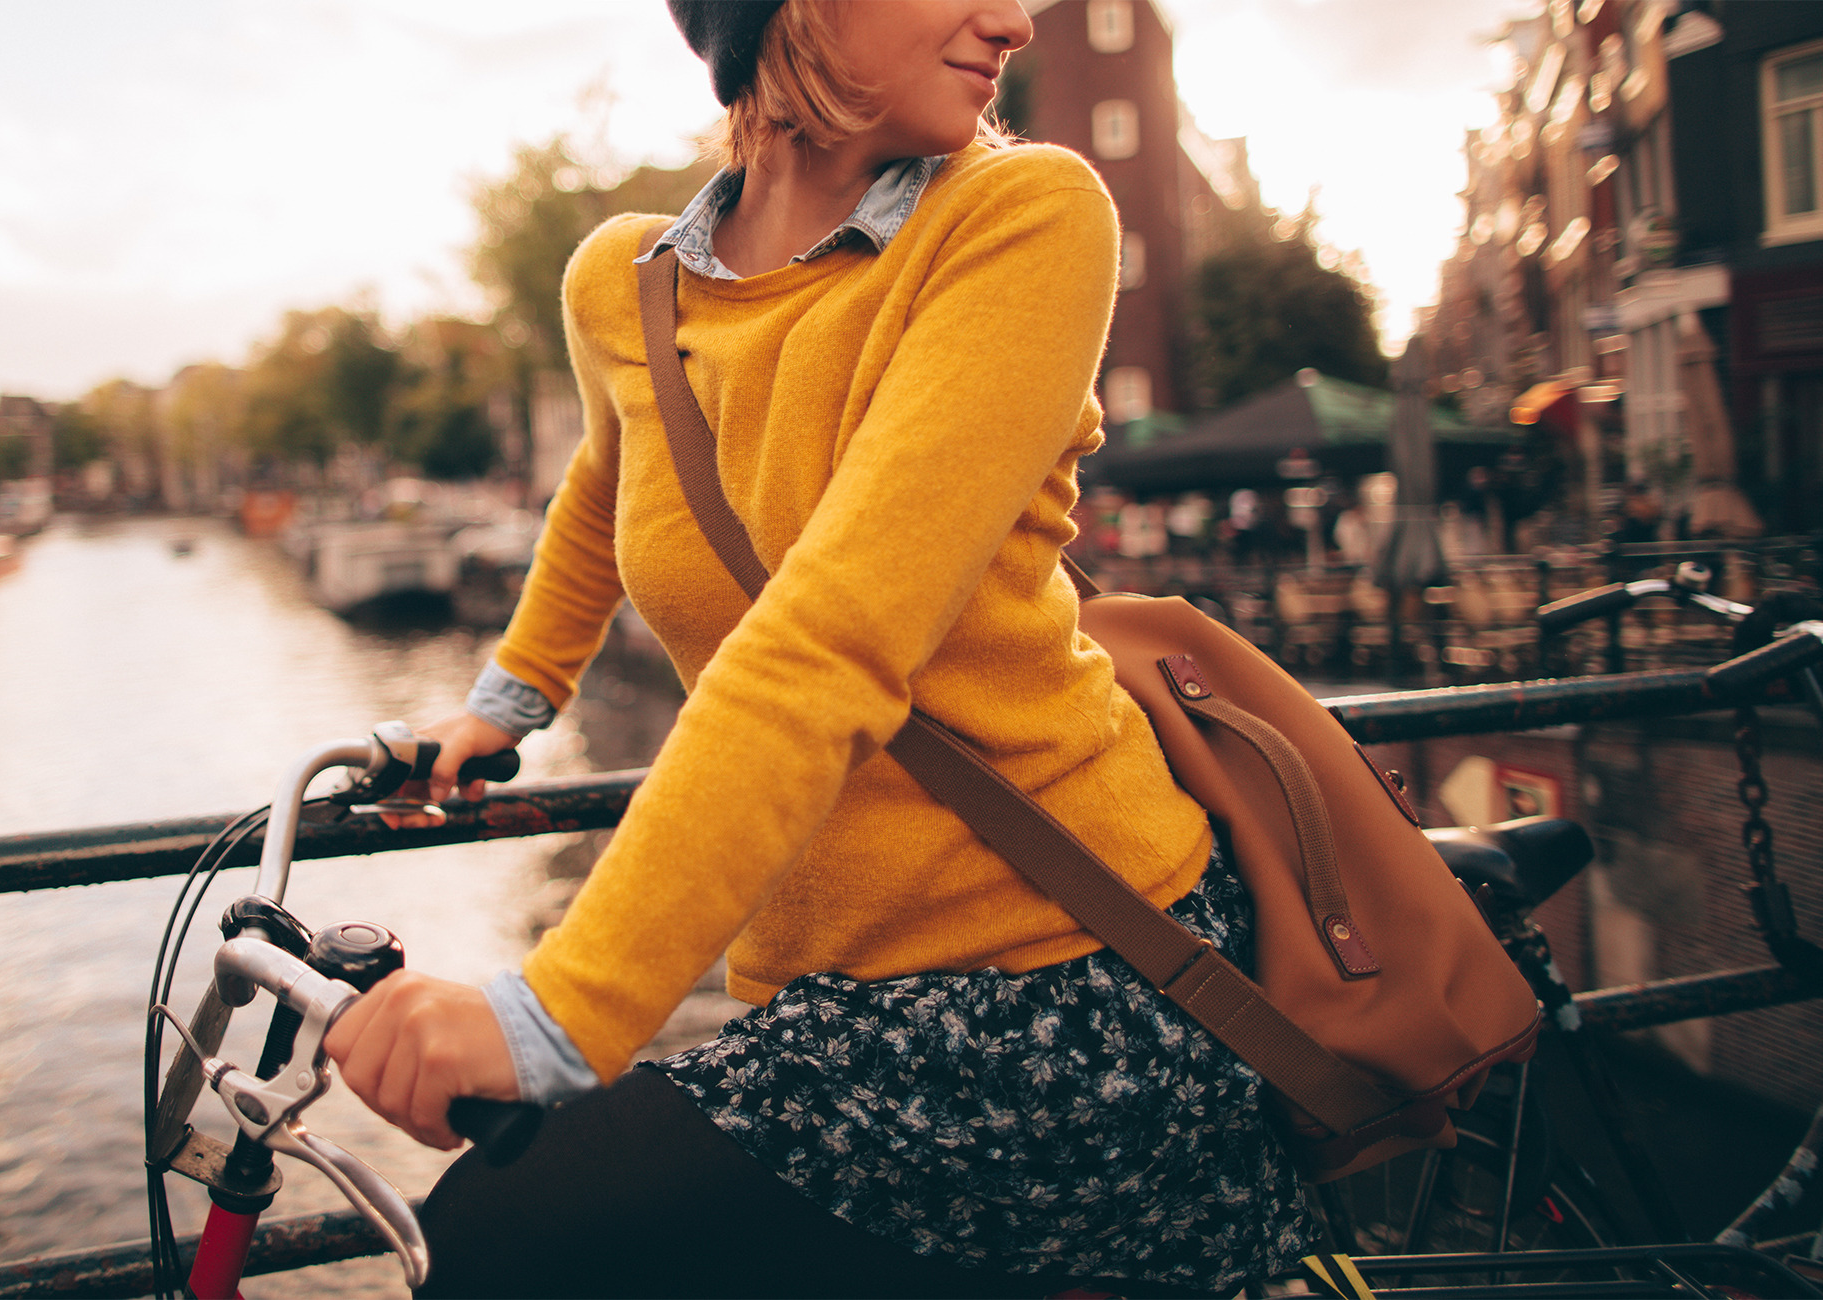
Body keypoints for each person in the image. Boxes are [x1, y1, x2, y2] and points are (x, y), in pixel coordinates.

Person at [323, 2, 1314, 1294]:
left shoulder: (1024, 214)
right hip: (821, 994)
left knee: (501, 1240)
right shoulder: (623, 283)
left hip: (1068, 980)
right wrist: (505, 705)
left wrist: (554, 1013)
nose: (1014, 21)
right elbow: (605, 487)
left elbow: (827, 639)